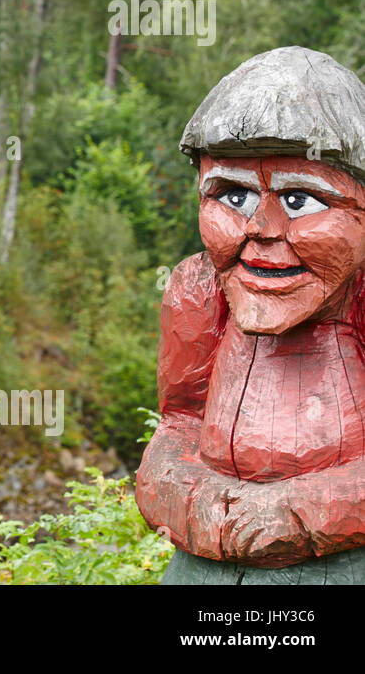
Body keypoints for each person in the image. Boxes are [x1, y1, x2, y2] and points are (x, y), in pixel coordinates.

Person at [138, 46, 365, 583]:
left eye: (300, 201)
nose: (261, 228)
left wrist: (298, 511)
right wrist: (193, 501)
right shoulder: (199, 288)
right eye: (232, 195)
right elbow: (177, 424)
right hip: (203, 567)